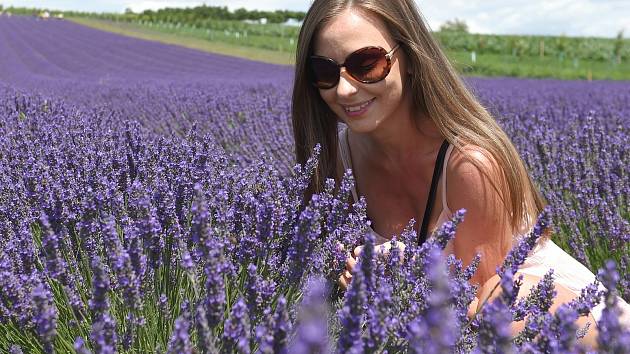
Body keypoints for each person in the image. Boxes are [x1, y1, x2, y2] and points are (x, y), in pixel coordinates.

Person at [290, 0, 629, 347]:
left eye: (367, 64)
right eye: (325, 72)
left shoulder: (471, 165)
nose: (344, 89)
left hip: (577, 331)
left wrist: (401, 270)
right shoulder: (338, 159)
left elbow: (480, 314)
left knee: (505, 307)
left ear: (408, 58)